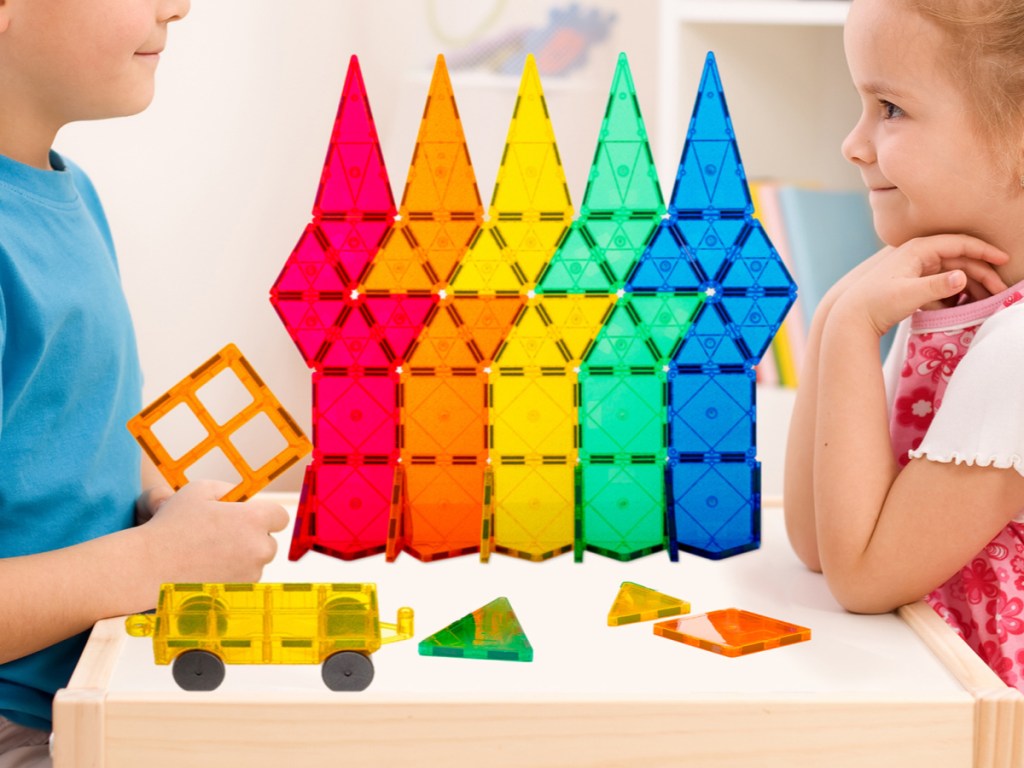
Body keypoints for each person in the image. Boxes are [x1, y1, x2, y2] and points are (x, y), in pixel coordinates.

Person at [0, 1, 290, 763]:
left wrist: (162, 502)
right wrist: (157, 562)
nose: (179, 6)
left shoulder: (68, 191)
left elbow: (68, 427)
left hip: (87, 685)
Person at [784, 0, 1024, 690]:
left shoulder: (1015, 352)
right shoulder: (960, 304)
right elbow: (819, 542)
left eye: (889, 107)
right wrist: (837, 311)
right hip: (929, 677)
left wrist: (855, 332)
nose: (853, 144)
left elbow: (861, 575)